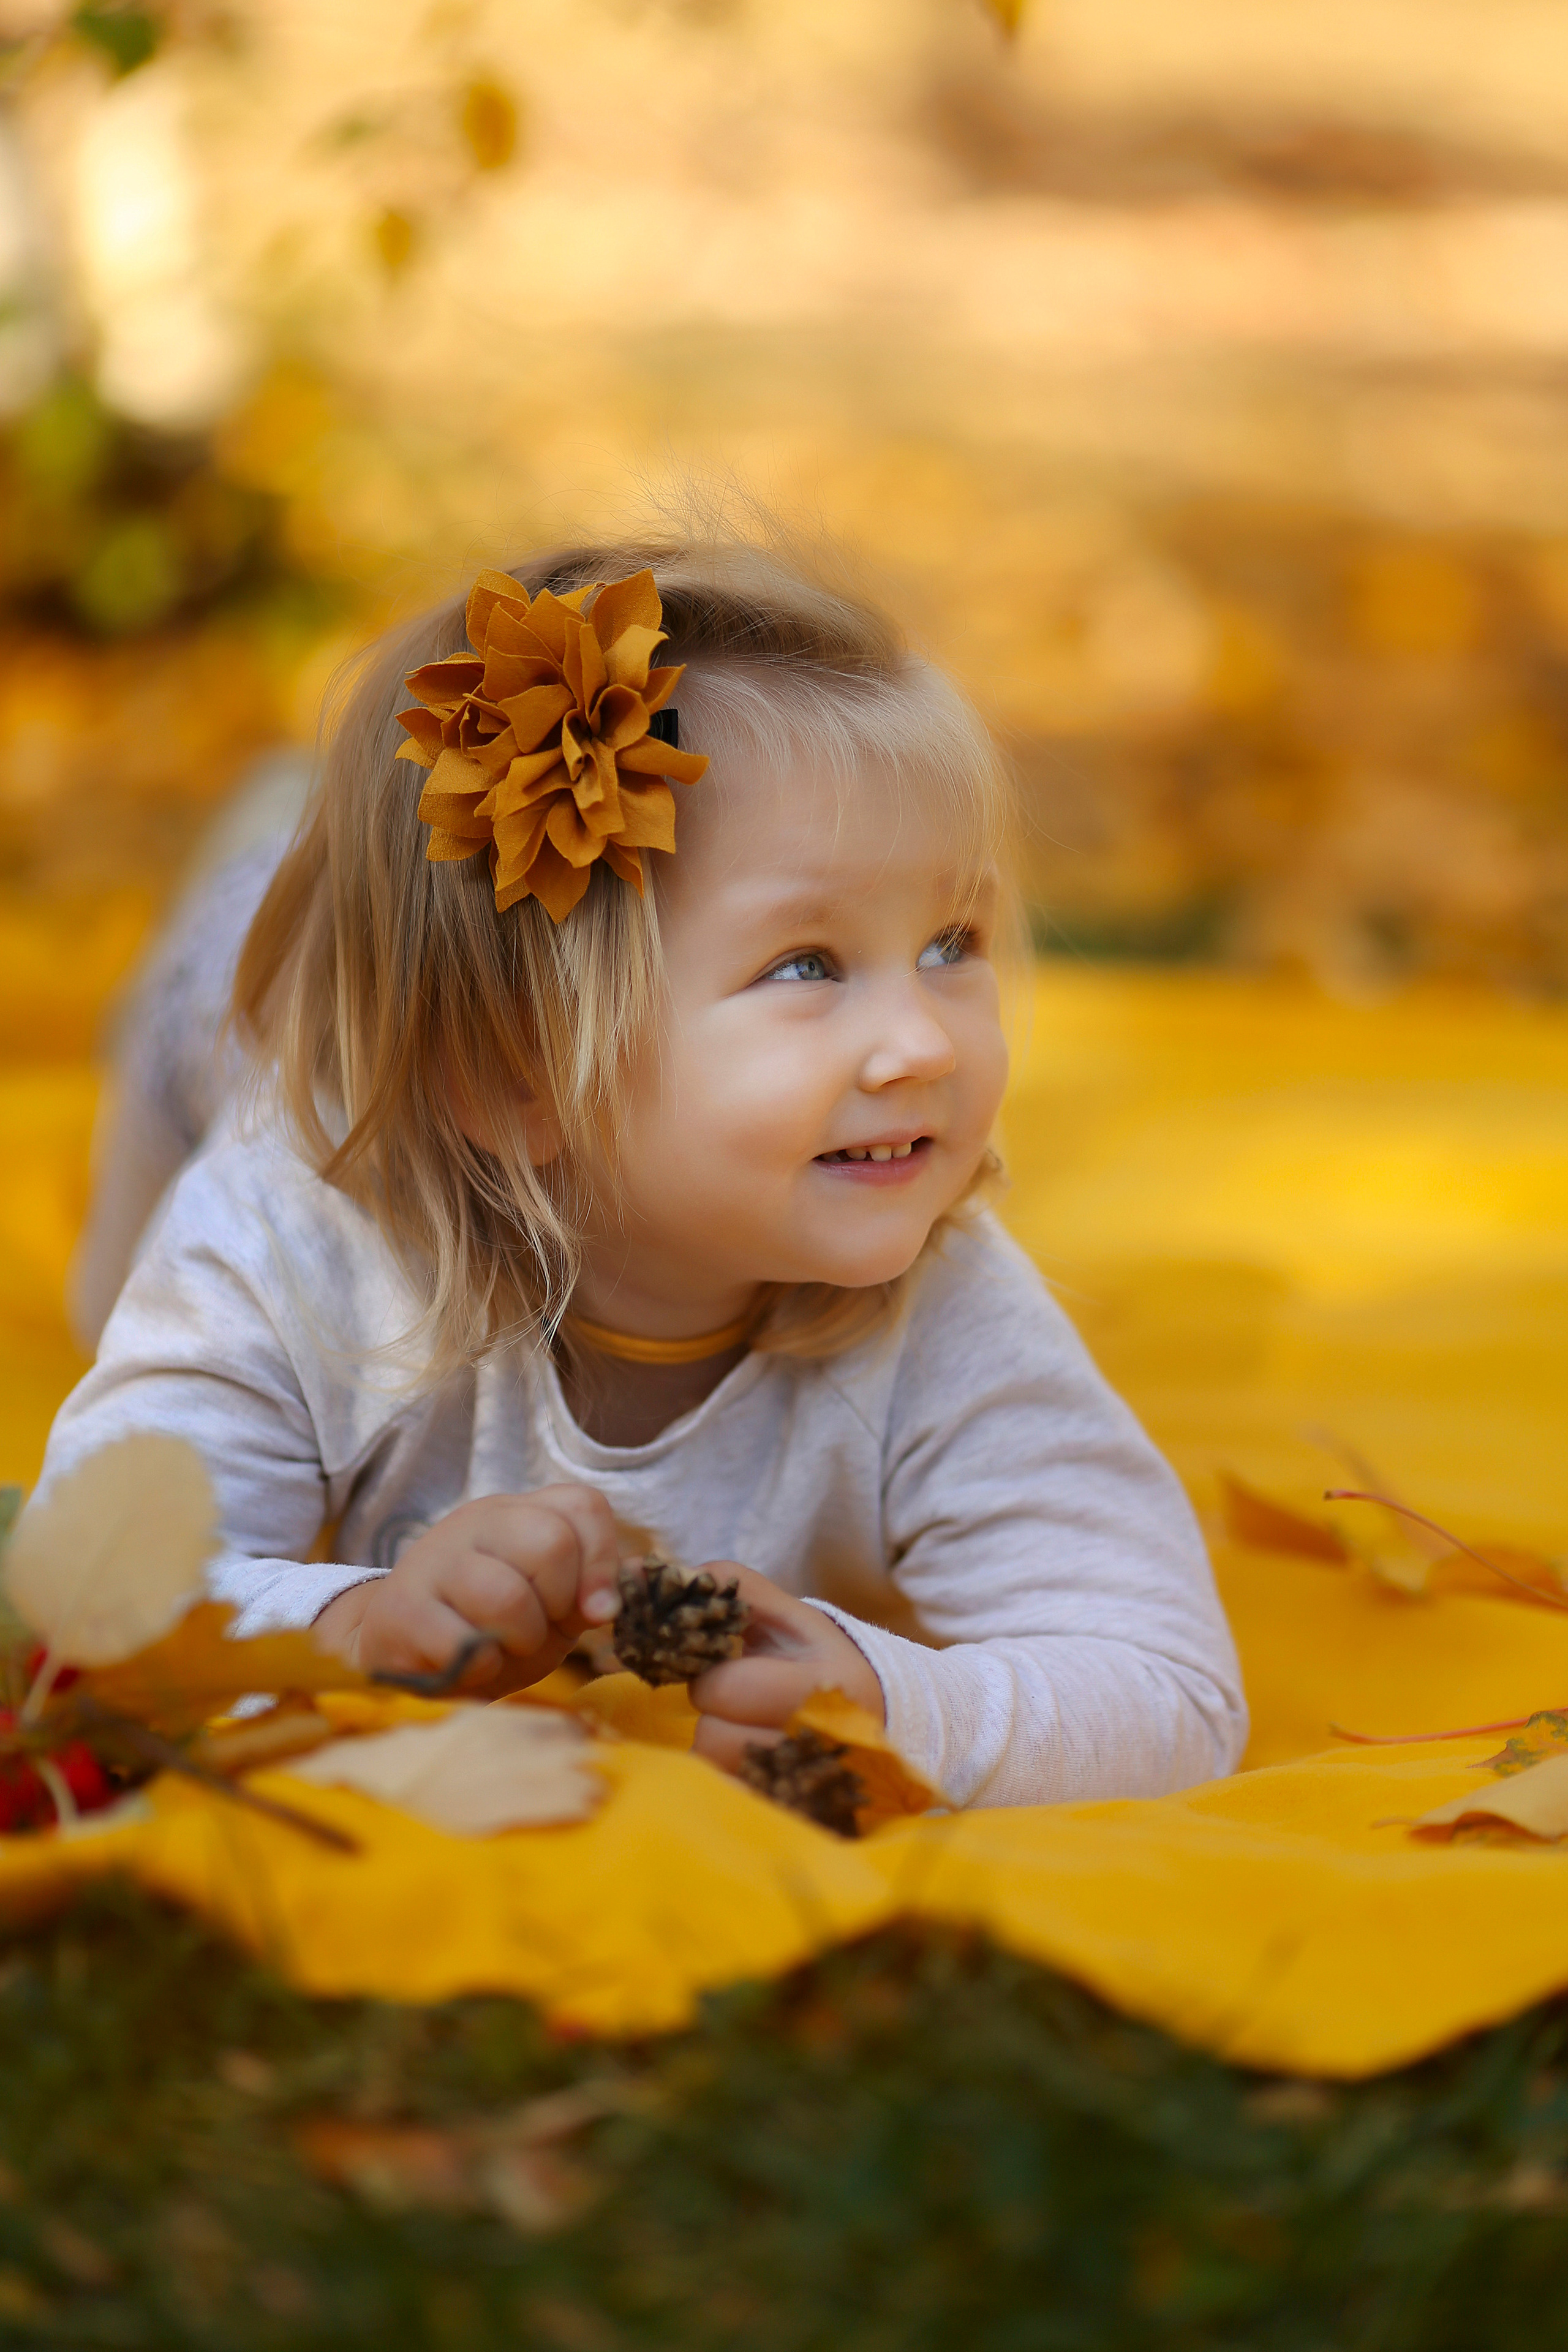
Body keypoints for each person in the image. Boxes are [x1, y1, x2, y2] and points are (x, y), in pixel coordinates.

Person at [34, 535, 1246, 1807]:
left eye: (951, 941)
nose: (927, 1041)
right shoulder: (293, 1231)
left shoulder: (942, 1312)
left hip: (445, 1029)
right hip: (240, 1040)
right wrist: (353, 1625)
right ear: (517, 1081)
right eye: (807, 966)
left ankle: (307, 830)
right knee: (117, 1270)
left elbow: (1167, 1686)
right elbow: (95, 1591)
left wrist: (896, 1705)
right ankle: (275, 843)